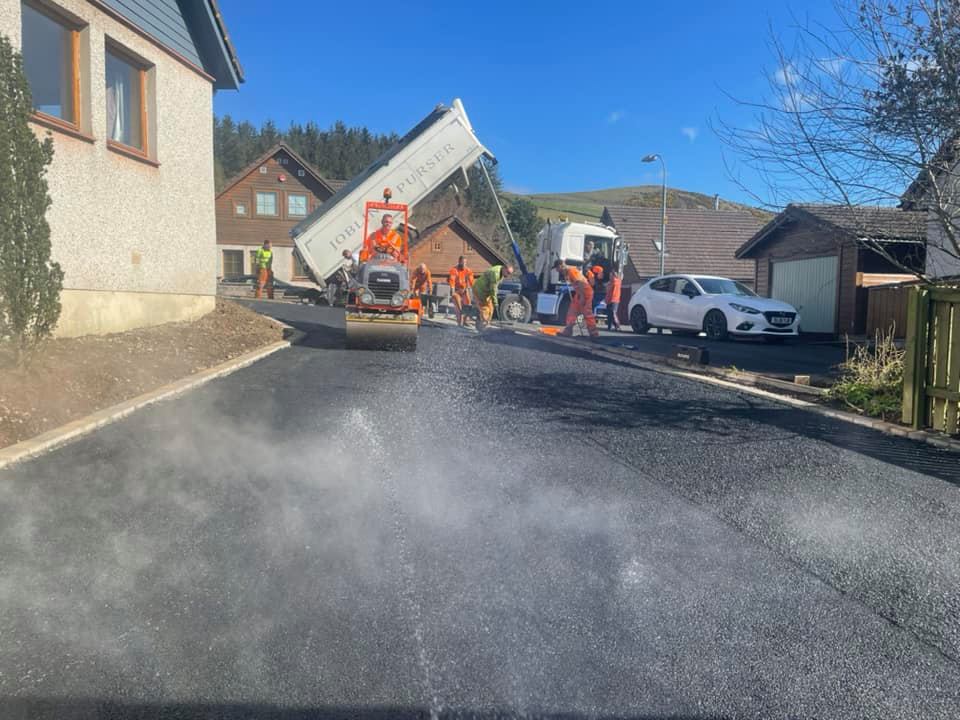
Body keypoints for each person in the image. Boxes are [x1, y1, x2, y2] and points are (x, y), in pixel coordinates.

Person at [553, 259, 599, 340]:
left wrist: (582, 297)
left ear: (560, 266)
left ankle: (594, 334)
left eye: (557, 268)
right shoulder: (567, 272)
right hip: (580, 293)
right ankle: (568, 330)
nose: (556, 271)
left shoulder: (571, 271)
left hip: (585, 292)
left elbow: (580, 283)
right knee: (572, 310)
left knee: (587, 312)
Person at [472, 264, 514, 331]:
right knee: (485, 309)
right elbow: (493, 289)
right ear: (504, 269)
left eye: (510, 273)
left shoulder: (501, 271)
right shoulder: (495, 274)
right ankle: (481, 327)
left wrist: (494, 302)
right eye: (508, 272)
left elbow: (495, 287)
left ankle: (486, 325)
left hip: (486, 292)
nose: (508, 275)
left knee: (491, 308)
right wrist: (496, 302)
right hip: (480, 290)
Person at [447, 256, 475, 327]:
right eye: (463, 263)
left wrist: (475, 290)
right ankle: (460, 323)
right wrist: (452, 292)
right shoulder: (454, 270)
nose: (464, 264)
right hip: (456, 291)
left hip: (464, 290)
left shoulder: (468, 270)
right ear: (459, 262)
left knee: (468, 304)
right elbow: (452, 282)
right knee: (459, 306)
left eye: (465, 263)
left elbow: (471, 282)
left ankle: (466, 320)